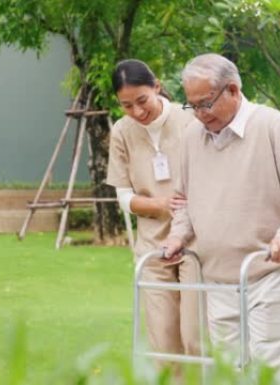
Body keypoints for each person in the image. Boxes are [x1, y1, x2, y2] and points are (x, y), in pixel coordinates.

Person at [163, 53, 280, 375]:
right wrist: (177, 235)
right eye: (191, 105)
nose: (198, 114)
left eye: (205, 103)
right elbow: (183, 198)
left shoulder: (271, 125)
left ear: (233, 90)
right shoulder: (192, 138)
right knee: (228, 370)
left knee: (268, 370)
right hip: (218, 276)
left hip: (270, 269)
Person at [106, 59, 200, 358]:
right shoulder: (122, 132)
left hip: (195, 244)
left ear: (157, 86)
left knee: (196, 336)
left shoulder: (191, 121)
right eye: (126, 105)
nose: (137, 112)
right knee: (163, 343)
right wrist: (160, 205)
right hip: (152, 247)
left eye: (142, 100)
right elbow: (123, 196)